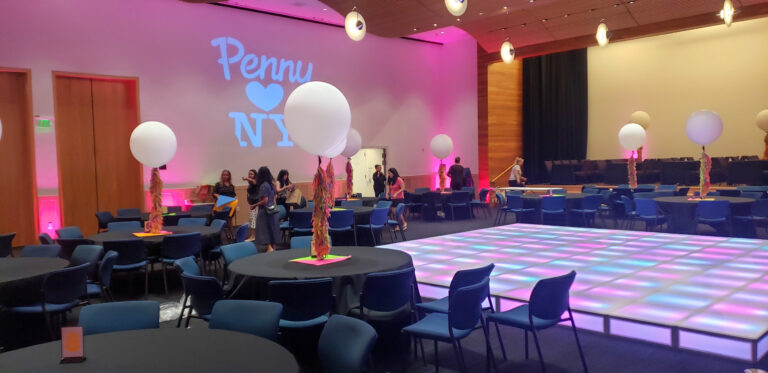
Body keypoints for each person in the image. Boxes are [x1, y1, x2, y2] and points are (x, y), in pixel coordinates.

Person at [252, 166, 280, 253]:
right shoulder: (272, 185)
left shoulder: (263, 186)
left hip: (264, 211)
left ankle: (269, 247)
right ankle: (273, 247)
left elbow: (264, 200)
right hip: (273, 210)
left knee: (263, 229)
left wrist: (254, 205)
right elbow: (274, 196)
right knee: (273, 229)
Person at [243, 169, 259, 241]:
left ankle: (253, 236)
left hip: (256, 204)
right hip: (252, 203)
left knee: (253, 220)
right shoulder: (250, 183)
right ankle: (254, 235)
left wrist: (246, 178)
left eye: (252, 174)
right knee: (252, 219)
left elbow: (254, 181)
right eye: (249, 174)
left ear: (255, 175)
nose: (250, 175)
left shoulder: (256, 181)